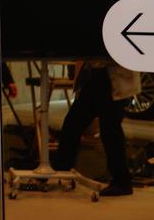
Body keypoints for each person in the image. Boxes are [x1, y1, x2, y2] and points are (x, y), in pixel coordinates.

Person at [52, 60, 134, 197]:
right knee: (73, 123)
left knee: (110, 130)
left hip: (111, 73)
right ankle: (62, 168)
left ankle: (122, 181)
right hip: (95, 74)